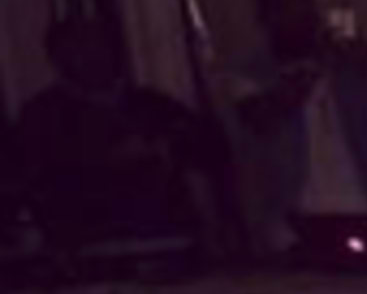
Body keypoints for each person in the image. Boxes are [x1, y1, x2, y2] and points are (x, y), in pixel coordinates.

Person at [230, 0, 367, 264]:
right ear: (265, 20)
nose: (302, 22)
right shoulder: (252, 74)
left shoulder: (353, 69)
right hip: (299, 219)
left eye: (306, 13)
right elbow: (261, 120)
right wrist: (315, 65)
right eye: (287, 13)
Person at [9, 15, 230, 260]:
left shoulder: (149, 103)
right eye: (80, 47)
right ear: (58, 59)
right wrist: (106, 161)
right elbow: (36, 179)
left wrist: (168, 146)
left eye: (99, 44)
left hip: (166, 237)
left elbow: (213, 148)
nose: (94, 54)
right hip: (91, 246)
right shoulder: (43, 115)